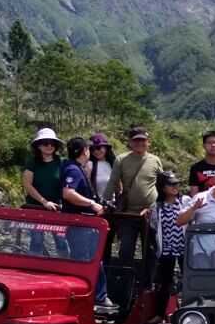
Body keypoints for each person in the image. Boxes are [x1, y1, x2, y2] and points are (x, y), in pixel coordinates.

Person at [60, 137, 117, 313]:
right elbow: (68, 193)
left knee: (87, 259)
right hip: (80, 224)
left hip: (82, 224)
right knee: (90, 261)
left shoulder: (74, 167)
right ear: (85, 150)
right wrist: (91, 204)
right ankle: (97, 297)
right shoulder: (73, 170)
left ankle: (92, 295)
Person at [109, 125, 163, 262]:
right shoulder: (121, 160)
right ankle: (125, 281)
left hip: (150, 212)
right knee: (126, 250)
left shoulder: (155, 160)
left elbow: (162, 183)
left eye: (142, 140)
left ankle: (147, 283)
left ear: (148, 142)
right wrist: (104, 202)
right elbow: (113, 182)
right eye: (136, 140)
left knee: (151, 250)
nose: (139, 143)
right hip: (128, 213)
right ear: (130, 142)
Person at [22, 127, 68, 256]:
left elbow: (67, 184)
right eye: (45, 143)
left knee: (61, 241)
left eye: (52, 143)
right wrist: (44, 202)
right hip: (36, 207)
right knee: (36, 240)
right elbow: (28, 185)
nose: (49, 146)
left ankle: (66, 268)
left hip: (57, 208)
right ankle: (32, 271)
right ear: (38, 146)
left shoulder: (62, 162)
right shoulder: (32, 163)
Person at [148, 171, 185, 321]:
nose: (174, 187)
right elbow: (153, 225)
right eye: (171, 184)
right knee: (165, 281)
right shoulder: (157, 206)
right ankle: (160, 313)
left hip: (184, 247)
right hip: (167, 248)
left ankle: (186, 311)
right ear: (163, 187)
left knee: (187, 280)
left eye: (176, 184)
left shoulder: (185, 201)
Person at [87, 133, 116, 200]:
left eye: (98, 148)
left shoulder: (114, 164)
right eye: (92, 149)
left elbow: (120, 188)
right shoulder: (89, 165)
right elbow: (87, 186)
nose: (96, 151)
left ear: (105, 147)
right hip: (97, 205)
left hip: (114, 205)